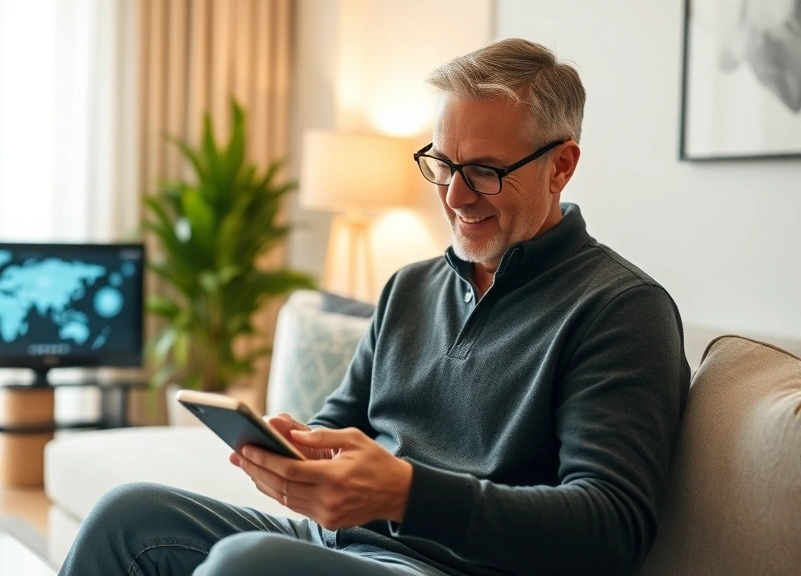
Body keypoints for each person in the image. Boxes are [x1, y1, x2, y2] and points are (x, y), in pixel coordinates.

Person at [58, 38, 691, 576]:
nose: (456, 195)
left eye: (486, 171)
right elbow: (339, 424)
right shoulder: (409, 289)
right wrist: (291, 451)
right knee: (129, 515)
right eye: (443, 165)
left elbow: (611, 528)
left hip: (449, 568)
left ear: (562, 166)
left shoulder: (621, 309)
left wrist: (410, 496)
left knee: (244, 564)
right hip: (344, 547)